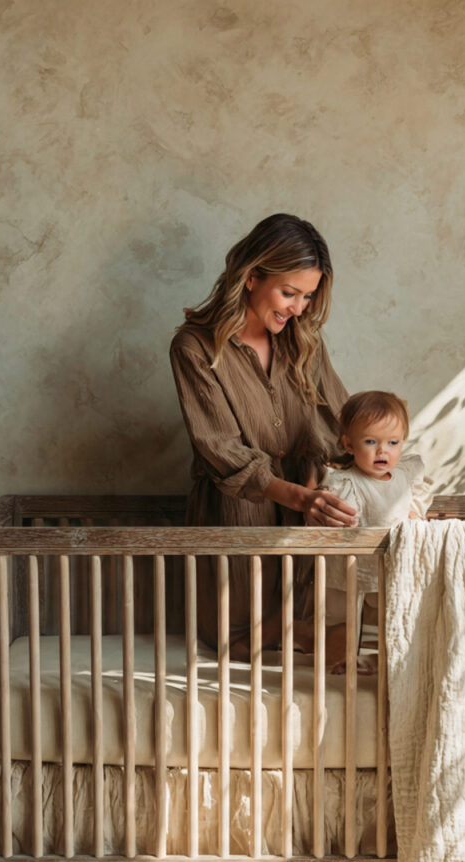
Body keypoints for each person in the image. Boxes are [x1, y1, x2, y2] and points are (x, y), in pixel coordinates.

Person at [170, 213, 358, 651]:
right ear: (252, 277)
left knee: (305, 628)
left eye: (308, 297)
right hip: (237, 511)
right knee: (235, 641)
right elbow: (220, 449)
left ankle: (314, 639)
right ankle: (304, 637)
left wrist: (393, 478)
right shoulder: (195, 347)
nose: (298, 308)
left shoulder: (304, 341)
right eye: (289, 292)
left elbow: (343, 428)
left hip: (306, 515)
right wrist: (299, 496)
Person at [321, 391, 433, 673]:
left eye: (392, 443)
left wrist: (415, 513)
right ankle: (339, 661)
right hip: (351, 562)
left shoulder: (406, 474)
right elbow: (344, 513)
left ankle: (388, 662)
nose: (382, 451)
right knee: (342, 614)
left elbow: (419, 494)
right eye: (371, 442)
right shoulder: (346, 481)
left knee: (396, 611)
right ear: (349, 444)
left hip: (393, 562)